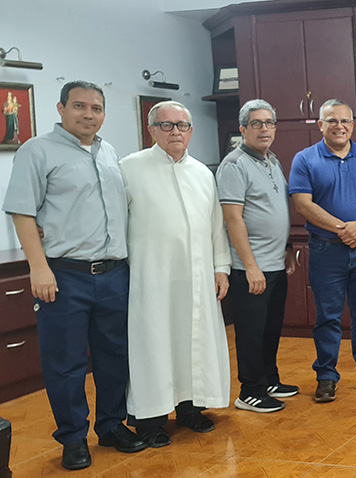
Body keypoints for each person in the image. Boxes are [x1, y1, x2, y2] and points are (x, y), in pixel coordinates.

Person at [2, 81, 144, 470]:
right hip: (65, 275)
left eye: (97, 108)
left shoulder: (109, 152)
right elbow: (22, 212)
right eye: (79, 106)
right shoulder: (37, 150)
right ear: (61, 108)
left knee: (114, 356)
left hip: (114, 273)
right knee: (65, 362)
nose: (89, 114)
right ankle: (73, 438)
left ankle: (112, 425)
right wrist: (38, 267)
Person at [119, 101, 232, 447]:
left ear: (191, 131)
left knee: (193, 342)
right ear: (151, 131)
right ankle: (151, 420)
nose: (175, 132)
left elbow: (216, 226)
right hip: (150, 278)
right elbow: (118, 225)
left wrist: (221, 267)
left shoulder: (202, 173)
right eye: (166, 126)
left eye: (182, 126)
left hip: (197, 278)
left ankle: (190, 409)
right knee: (153, 345)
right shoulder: (128, 168)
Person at [290, 100, 356, 401]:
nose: (339, 126)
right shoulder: (305, 159)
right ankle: (326, 375)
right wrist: (342, 228)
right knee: (328, 316)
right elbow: (302, 203)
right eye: (331, 120)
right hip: (326, 250)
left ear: (352, 125)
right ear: (319, 124)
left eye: (344, 121)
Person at [216, 99, 299, 413]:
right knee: (251, 331)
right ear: (242, 129)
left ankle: (269, 379)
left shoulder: (272, 160)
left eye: (268, 123)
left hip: (275, 263)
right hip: (249, 268)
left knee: (270, 327)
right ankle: (250, 390)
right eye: (256, 123)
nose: (263, 128)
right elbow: (233, 218)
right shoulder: (234, 165)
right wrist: (250, 267)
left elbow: (276, 212)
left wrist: (287, 248)